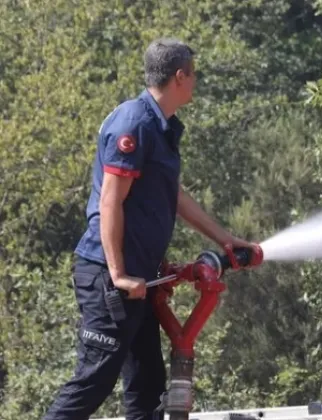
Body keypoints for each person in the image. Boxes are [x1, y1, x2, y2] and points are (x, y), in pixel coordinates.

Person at [43, 38, 259, 420]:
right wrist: (118, 275)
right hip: (109, 278)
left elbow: (173, 194)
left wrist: (224, 239)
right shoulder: (135, 124)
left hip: (137, 280)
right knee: (93, 381)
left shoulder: (161, 127)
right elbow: (110, 202)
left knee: (147, 389)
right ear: (180, 77)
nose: (195, 82)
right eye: (193, 74)